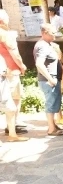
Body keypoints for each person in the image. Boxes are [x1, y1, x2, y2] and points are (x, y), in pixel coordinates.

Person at [0, 10, 28, 141]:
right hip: (10, 70)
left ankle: (11, 127)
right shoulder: (6, 34)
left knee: (12, 99)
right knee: (12, 100)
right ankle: (12, 131)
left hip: (5, 71)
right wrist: (22, 66)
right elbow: (14, 53)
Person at [34, 24, 63, 135]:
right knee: (51, 103)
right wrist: (50, 79)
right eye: (52, 33)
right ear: (44, 33)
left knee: (54, 103)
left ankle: (54, 125)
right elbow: (39, 64)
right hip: (48, 81)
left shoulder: (48, 45)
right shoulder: (42, 46)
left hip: (53, 78)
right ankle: (51, 129)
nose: (55, 35)